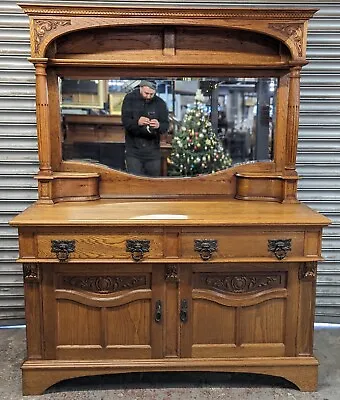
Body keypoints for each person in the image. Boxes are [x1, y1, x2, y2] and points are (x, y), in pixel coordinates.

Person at [121, 80, 169, 176]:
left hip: (153, 152)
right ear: (140, 88)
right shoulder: (129, 99)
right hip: (133, 151)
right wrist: (137, 122)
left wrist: (159, 125)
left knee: (153, 184)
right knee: (134, 183)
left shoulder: (160, 103)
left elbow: (166, 126)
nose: (148, 96)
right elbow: (125, 122)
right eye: (146, 93)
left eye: (152, 94)